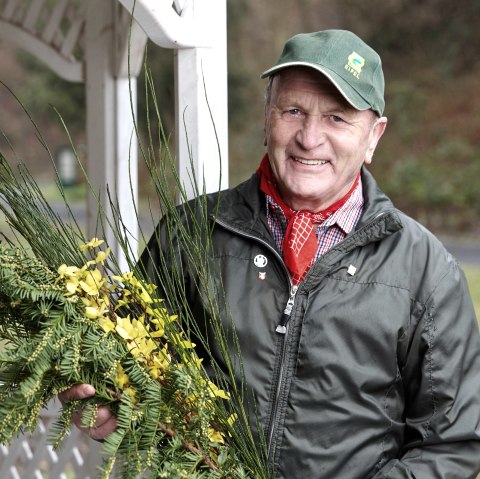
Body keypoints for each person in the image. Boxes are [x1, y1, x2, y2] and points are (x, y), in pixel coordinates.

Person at [60, 29, 480, 478]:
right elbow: (125, 365)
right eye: (293, 111)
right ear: (267, 117)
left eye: (337, 118)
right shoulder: (191, 233)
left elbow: (452, 445)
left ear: (373, 136)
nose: (310, 137)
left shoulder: (425, 270)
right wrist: (98, 395)